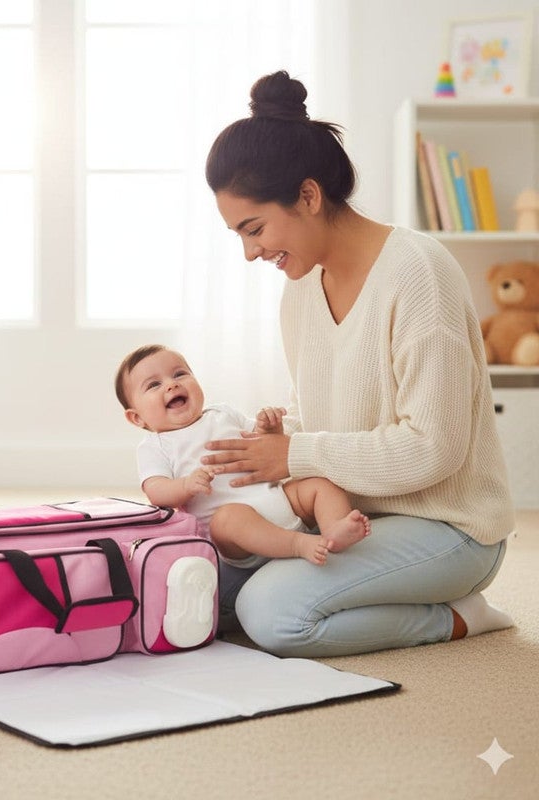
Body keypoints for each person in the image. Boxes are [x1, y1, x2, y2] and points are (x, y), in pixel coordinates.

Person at [200, 70, 515, 656]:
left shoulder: (419, 273)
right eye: (238, 235)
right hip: (352, 517)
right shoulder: (299, 286)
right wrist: (274, 443)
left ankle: (460, 617)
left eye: (254, 228)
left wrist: (295, 452)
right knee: (209, 586)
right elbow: (313, 413)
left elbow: (433, 448)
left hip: (448, 528)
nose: (249, 252)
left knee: (272, 615)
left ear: (309, 196)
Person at [115, 343, 371, 567]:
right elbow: (156, 492)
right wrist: (186, 485)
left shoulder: (223, 413)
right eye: (154, 384)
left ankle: (335, 528)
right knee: (228, 518)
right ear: (136, 417)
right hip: (238, 539)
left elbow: (263, 445)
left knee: (319, 483)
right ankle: (298, 544)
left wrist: (269, 428)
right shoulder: (155, 446)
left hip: (279, 500)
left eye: (180, 374)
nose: (172, 384)